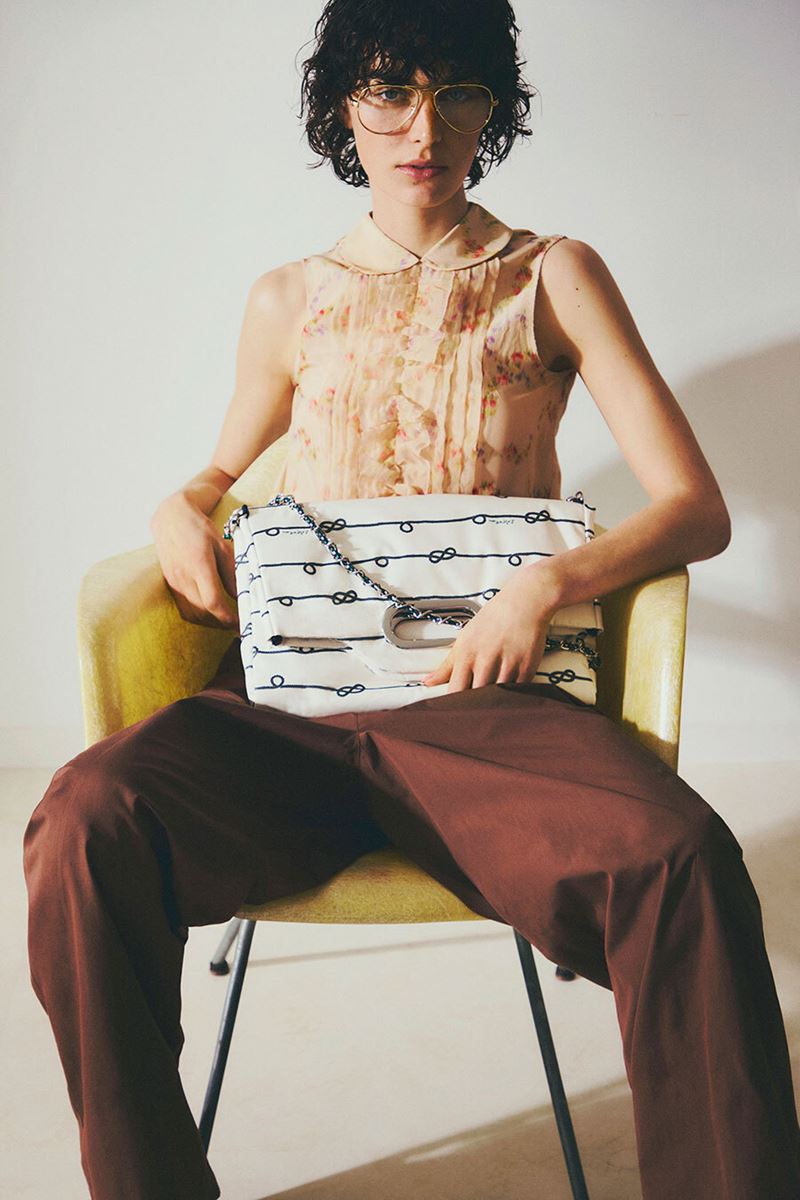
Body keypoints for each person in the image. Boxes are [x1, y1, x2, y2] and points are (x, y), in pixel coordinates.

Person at [22, 2, 800, 1198]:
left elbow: (694, 506)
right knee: (83, 819)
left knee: (681, 856)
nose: (422, 129)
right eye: (389, 91)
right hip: (290, 707)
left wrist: (547, 583)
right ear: (344, 105)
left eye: (456, 93)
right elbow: (220, 472)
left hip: (490, 707)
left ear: (495, 107)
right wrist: (179, 505)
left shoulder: (552, 274)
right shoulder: (289, 297)